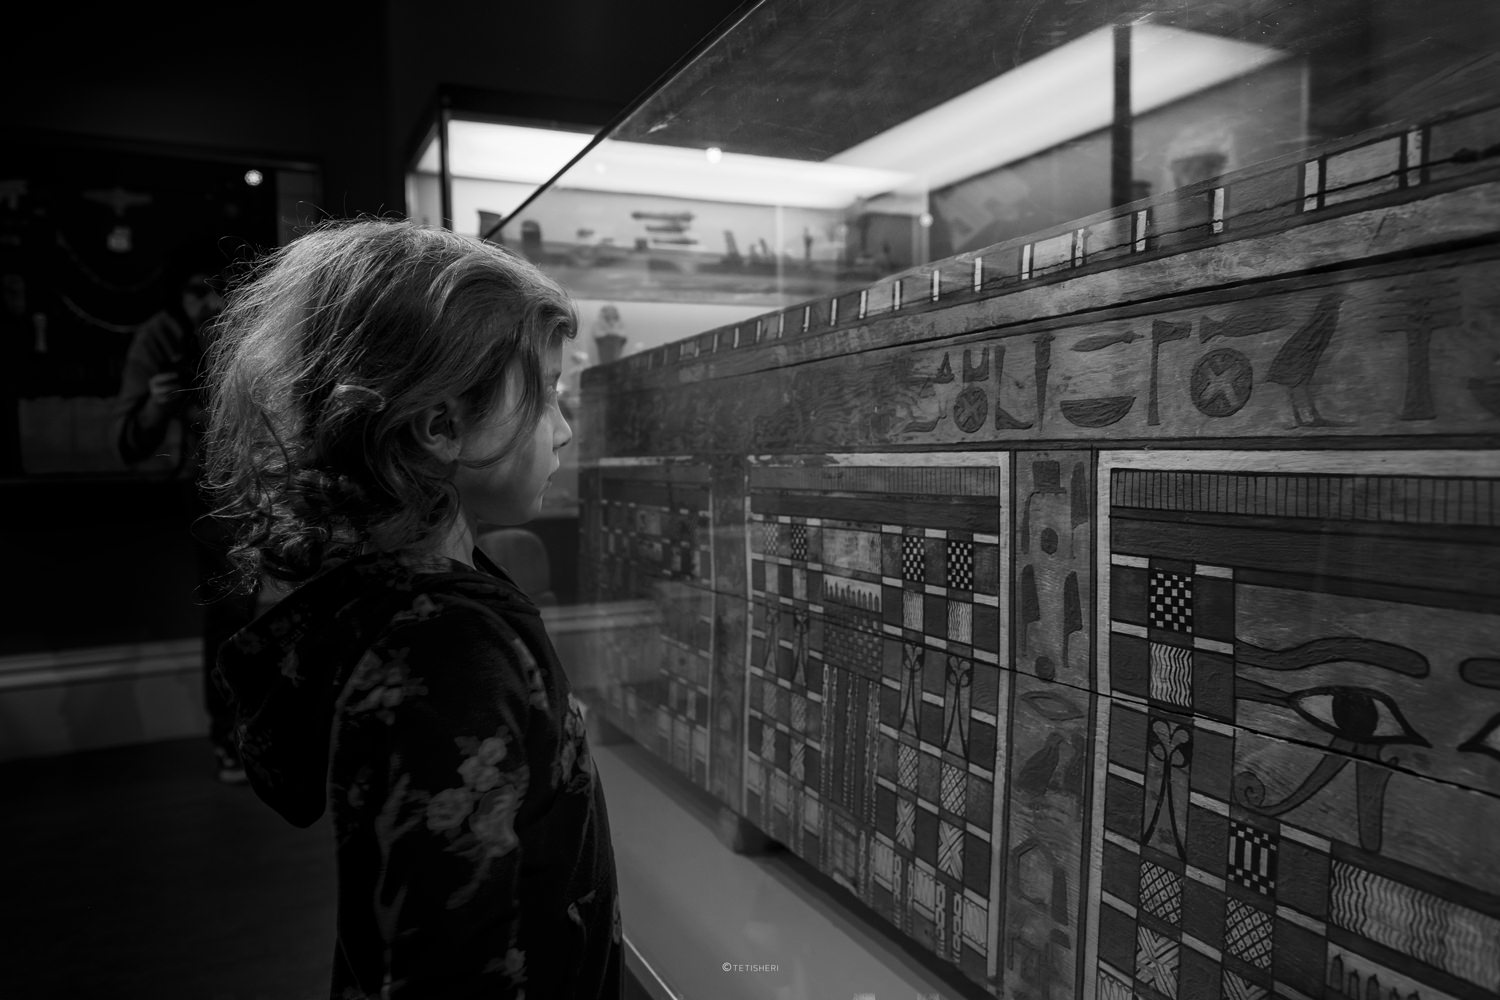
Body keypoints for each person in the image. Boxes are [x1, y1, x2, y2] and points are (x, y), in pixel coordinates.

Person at [202, 217, 620, 998]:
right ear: (439, 426)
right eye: (548, 394)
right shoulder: (448, 654)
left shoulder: (395, 600)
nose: (563, 430)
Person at [114, 242, 257, 783]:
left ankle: (261, 728)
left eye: (219, 288)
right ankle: (229, 732)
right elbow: (127, 443)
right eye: (197, 291)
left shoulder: (245, 330)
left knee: (259, 606)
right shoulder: (160, 338)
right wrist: (158, 404)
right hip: (208, 484)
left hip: (258, 476)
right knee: (231, 609)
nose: (211, 302)